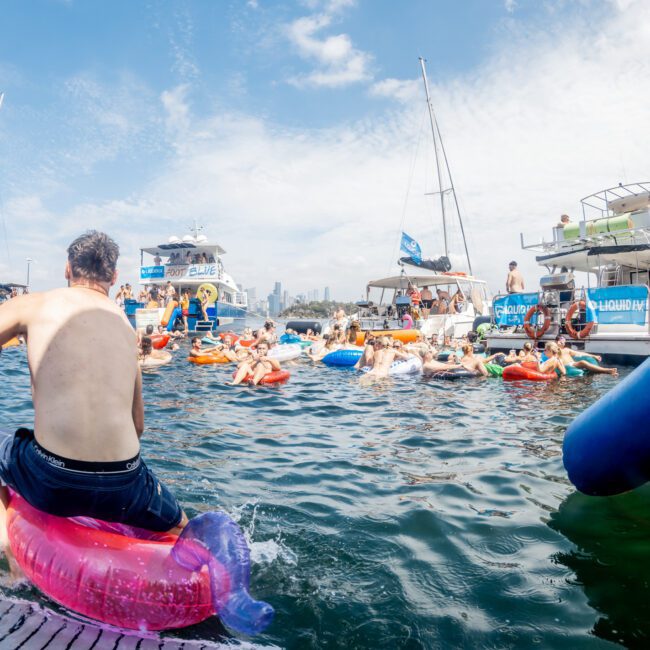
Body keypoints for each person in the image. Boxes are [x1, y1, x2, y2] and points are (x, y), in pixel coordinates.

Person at [0, 231, 188, 563]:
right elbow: (139, 425)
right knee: (183, 531)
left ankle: (10, 552)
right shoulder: (126, 328)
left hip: (52, 480)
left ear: (67, 269)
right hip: (126, 485)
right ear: (114, 277)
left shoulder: (35, 304)